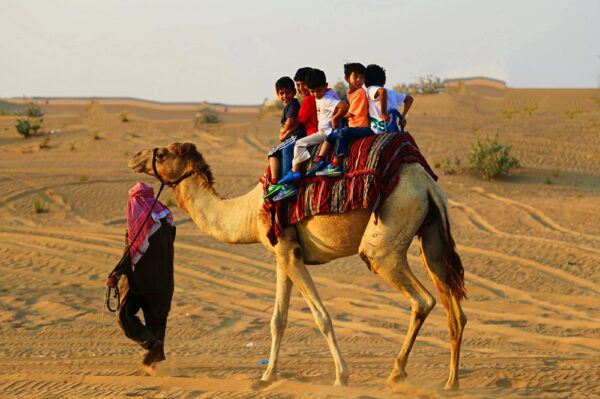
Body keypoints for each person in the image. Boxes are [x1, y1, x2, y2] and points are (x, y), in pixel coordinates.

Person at [106, 182, 176, 375]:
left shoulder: (140, 223)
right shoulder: (167, 220)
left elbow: (132, 250)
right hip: (163, 283)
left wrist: (116, 272)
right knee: (157, 323)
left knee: (124, 316)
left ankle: (152, 349)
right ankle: (153, 363)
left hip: (138, 282)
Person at [274, 68, 348, 201]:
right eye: (299, 85)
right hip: (321, 131)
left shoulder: (310, 99)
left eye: (303, 84)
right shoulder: (324, 95)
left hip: (317, 132)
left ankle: (288, 184)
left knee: (287, 150)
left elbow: (298, 122)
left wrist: (285, 133)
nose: (301, 88)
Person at [309, 62, 373, 177]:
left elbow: (351, 113)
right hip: (352, 127)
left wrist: (336, 116)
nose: (360, 80)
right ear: (347, 78)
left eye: (362, 77)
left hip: (362, 127)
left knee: (342, 133)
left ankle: (335, 164)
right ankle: (320, 159)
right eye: (356, 77)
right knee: (331, 136)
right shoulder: (349, 92)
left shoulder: (360, 92)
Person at [264, 77, 306, 199]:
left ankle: (275, 182)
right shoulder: (290, 105)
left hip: (296, 136)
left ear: (293, 92)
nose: (284, 96)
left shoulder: (292, 104)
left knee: (273, 152)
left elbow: (290, 121)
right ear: (277, 94)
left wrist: (283, 132)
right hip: (294, 135)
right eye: (281, 93)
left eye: (287, 92)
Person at [364, 64, 413, 134]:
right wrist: (403, 117)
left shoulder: (370, 89)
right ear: (384, 81)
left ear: (365, 84)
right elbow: (409, 99)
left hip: (378, 130)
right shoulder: (391, 93)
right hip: (393, 130)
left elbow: (382, 91)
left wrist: (383, 113)